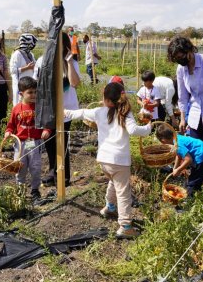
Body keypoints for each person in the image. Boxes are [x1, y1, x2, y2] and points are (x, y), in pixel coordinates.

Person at [64, 82, 151, 238]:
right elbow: (133, 130)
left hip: (104, 160)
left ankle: (109, 207)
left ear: (106, 99)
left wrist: (64, 112)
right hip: (120, 161)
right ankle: (125, 226)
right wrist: (148, 128)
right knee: (123, 193)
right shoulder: (125, 113)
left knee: (113, 182)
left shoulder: (99, 112)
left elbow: (81, 113)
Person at [168, 36, 203, 175]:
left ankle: (200, 184)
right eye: (176, 59)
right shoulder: (181, 69)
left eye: (181, 57)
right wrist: (182, 117)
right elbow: (182, 96)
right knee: (196, 151)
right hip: (194, 113)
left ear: (189, 50)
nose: (180, 61)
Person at [35, 32, 81, 187]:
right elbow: (37, 84)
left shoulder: (71, 62)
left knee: (62, 141)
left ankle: (64, 176)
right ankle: (52, 171)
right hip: (48, 108)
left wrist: (68, 61)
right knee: (48, 139)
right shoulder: (42, 61)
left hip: (66, 109)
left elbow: (74, 83)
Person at [5, 77, 50, 201]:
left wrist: (47, 130)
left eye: (35, 92)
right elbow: (11, 125)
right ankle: (20, 190)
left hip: (35, 142)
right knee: (20, 167)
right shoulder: (16, 109)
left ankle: (35, 190)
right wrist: (8, 132)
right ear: (21, 94)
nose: (33, 95)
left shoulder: (39, 107)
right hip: (20, 143)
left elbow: (47, 122)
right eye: (30, 92)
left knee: (35, 167)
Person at [156, 125, 203, 197]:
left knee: (193, 181)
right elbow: (179, 155)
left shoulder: (178, 145)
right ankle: (199, 190)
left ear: (163, 140)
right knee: (199, 176)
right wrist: (175, 167)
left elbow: (189, 160)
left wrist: (179, 170)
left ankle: (187, 200)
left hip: (202, 156)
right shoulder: (176, 138)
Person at [9, 33, 38, 105]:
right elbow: (12, 71)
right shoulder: (17, 54)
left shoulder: (31, 54)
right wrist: (26, 68)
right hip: (20, 86)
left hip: (31, 86)